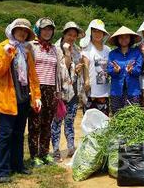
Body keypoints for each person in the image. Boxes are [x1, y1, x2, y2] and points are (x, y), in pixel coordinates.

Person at [0, 19, 41, 183]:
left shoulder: (26, 51)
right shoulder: (2, 48)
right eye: (20, 30)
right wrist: (8, 54)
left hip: (23, 99)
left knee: (18, 134)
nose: (22, 33)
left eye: (25, 31)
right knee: (5, 135)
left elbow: (33, 76)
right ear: (12, 30)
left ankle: (17, 165)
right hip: (6, 99)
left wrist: (36, 96)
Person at [28, 17, 61, 168]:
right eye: (44, 29)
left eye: (50, 29)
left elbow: (57, 71)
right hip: (37, 89)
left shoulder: (54, 48)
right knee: (35, 123)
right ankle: (34, 156)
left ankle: (44, 154)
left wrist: (58, 91)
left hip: (51, 89)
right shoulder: (32, 46)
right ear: (38, 30)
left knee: (47, 124)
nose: (47, 32)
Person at [51, 22, 85, 162]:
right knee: (57, 121)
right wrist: (68, 59)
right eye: (69, 34)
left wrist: (77, 69)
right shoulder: (55, 48)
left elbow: (77, 68)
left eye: (74, 35)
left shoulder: (77, 50)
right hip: (60, 90)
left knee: (70, 121)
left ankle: (71, 147)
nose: (72, 37)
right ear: (64, 34)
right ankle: (56, 150)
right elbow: (59, 67)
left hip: (74, 90)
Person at [107, 26, 143, 115]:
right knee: (117, 117)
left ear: (130, 39)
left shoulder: (136, 53)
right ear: (117, 39)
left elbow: (139, 70)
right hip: (116, 91)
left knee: (132, 118)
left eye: (126, 37)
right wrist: (116, 71)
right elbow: (109, 71)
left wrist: (132, 70)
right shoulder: (112, 54)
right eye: (121, 37)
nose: (124, 39)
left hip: (133, 91)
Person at [80, 19, 111, 115]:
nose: (97, 34)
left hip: (104, 92)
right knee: (89, 124)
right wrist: (86, 84)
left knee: (103, 124)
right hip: (90, 92)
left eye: (100, 31)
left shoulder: (107, 50)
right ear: (90, 32)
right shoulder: (86, 48)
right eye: (95, 31)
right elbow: (84, 67)